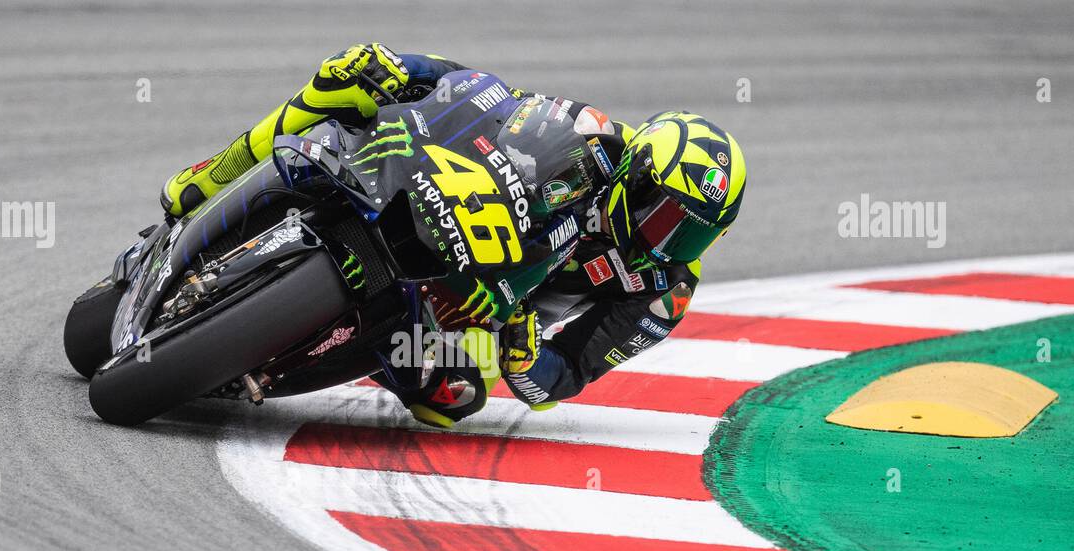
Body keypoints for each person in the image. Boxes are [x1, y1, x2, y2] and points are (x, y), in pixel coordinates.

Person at [160, 43, 745, 427]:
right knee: (346, 86)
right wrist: (403, 71)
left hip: (483, 314)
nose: (666, 242)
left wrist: (523, 354)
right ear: (637, 177)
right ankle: (219, 170)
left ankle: (267, 369)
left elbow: (564, 377)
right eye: (665, 216)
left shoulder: (663, 292)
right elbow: (488, 100)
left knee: (454, 399)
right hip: (453, 212)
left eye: (692, 236)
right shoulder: (592, 135)